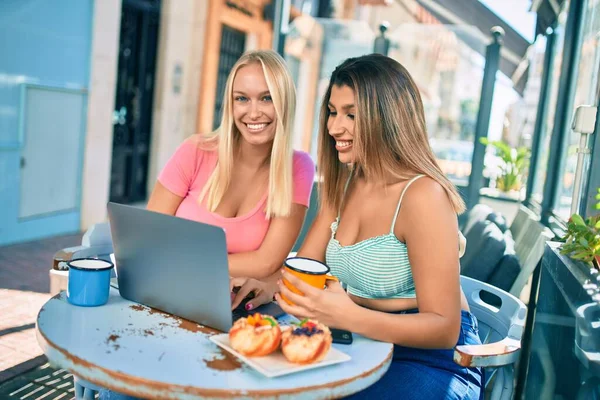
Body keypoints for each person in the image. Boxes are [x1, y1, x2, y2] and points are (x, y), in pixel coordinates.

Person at [231, 54, 483, 399]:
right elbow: (306, 267)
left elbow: (443, 328)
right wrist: (264, 285)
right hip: (361, 341)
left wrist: (348, 316)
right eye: (333, 112)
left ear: (389, 117)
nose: (335, 127)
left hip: (432, 358)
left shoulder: (424, 195)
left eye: (352, 114)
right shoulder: (346, 183)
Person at [147, 50, 315, 279]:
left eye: (267, 98)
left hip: (240, 306)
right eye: (242, 98)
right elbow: (150, 234)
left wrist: (187, 260)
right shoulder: (195, 151)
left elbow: (267, 263)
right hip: (170, 285)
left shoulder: (298, 167)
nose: (253, 113)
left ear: (284, 103)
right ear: (230, 104)